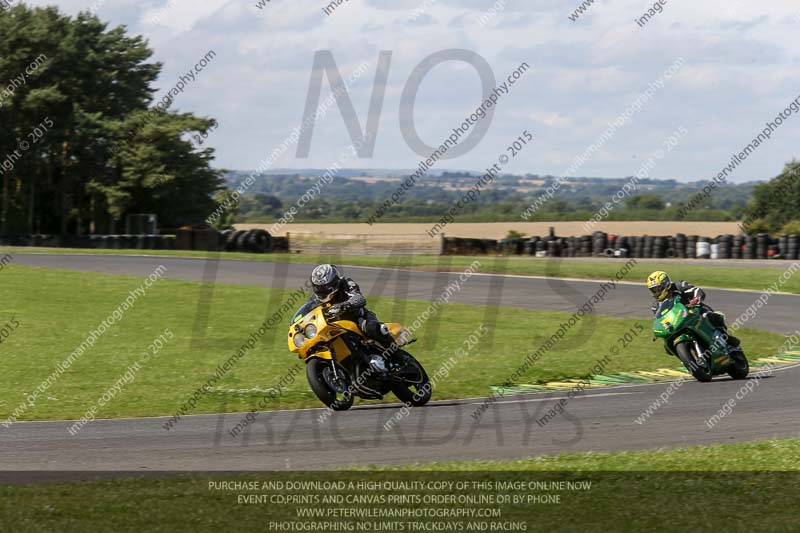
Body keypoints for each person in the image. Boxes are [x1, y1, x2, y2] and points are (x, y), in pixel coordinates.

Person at [296, 264, 399, 370]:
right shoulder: (315, 299)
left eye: (324, 287)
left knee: (371, 328)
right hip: (335, 325)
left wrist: (345, 305)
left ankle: (397, 356)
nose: (321, 290)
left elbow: (359, 298)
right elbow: (309, 312)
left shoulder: (346, 283)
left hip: (357, 317)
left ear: (334, 282)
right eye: (318, 288)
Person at [646, 270, 740, 348]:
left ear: (665, 284)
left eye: (658, 289)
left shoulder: (678, 285)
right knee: (666, 345)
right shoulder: (655, 306)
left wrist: (696, 299)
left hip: (693, 311)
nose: (656, 292)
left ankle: (727, 337)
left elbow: (697, 290)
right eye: (654, 290)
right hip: (677, 322)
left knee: (708, 315)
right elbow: (659, 320)